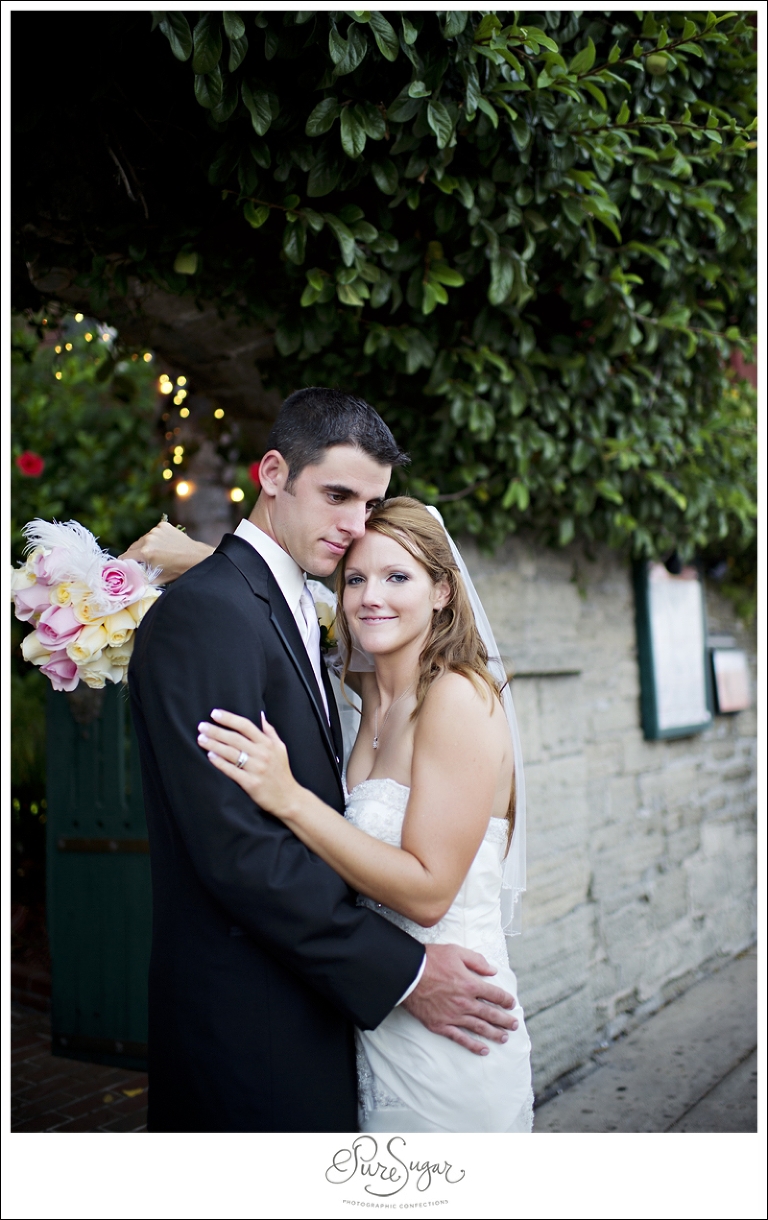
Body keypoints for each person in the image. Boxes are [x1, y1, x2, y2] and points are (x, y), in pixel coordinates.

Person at [125, 387, 521, 1134]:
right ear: (273, 473)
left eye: (369, 504)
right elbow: (238, 848)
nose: (353, 527)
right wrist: (402, 974)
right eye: (337, 495)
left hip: (333, 1013)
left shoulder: (305, 614)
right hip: (252, 1019)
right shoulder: (210, 611)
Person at [195, 497, 533, 1132]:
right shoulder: (372, 687)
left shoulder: (457, 699)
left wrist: (289, 797)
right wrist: (176, 562)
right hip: (379, 1018)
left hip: (454, 1021)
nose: (371, 597)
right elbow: (281, 604)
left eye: (397, 577)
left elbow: (429, 893)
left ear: (441, 591)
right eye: (356, 578)